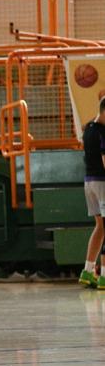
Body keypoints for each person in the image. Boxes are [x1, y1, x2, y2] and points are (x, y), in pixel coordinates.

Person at [79, 96, 105, 289]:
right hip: (102, 183)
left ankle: (88, 271)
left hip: (89, 183)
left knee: (100, 227)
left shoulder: (88, 128)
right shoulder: (103, 131)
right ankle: (104, 275)